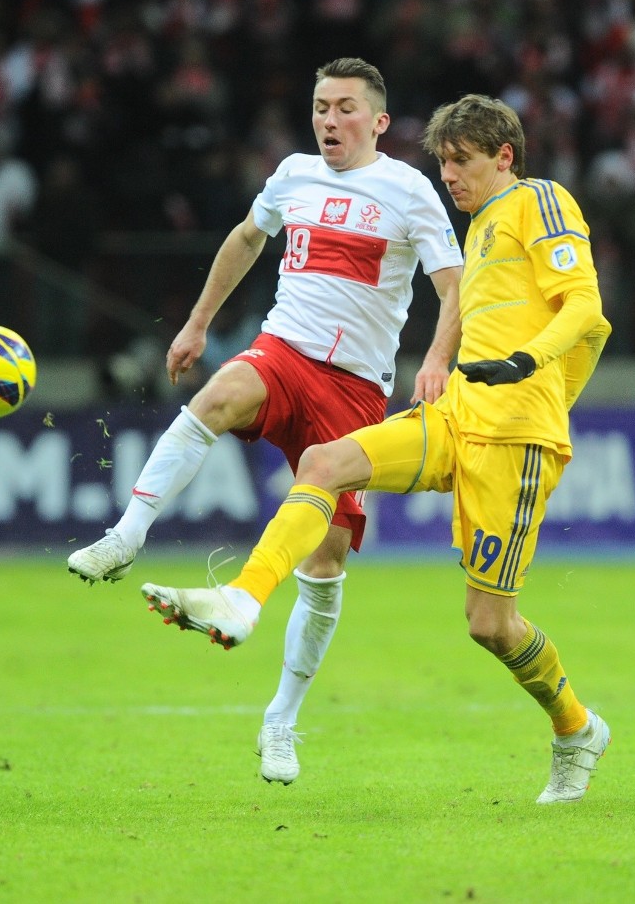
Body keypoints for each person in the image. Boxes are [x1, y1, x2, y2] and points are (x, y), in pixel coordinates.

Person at [140, 94, 613, 805]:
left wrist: (535, 377)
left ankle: (576, 729)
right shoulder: (481, 227)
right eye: (443, 162)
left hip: (516, 438)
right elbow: (591, 336)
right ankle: (243, 599)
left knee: (490, 624)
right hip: (457, 415)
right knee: (324, 464)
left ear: (505, 156)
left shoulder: (540, 201)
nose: (449, 176)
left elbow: (586, 311)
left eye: (463, 162)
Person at [67, 58, 463, 783]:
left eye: (345, 108)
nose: (329, 120)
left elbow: (451, 282)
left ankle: (280, 721)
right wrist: (196, 324)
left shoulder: (409, 191)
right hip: (285, 351)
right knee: (216, 397)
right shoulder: (292, 175)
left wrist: (437, 358)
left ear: (377, 121)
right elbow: (247, 238)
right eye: (320, 107)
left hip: (354, 390)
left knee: (327, 564)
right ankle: (125, 538)